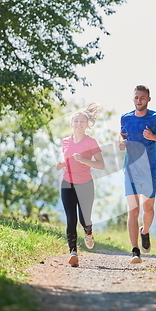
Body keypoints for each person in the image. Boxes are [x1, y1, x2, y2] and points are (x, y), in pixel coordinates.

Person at [119, 85, 156, 263]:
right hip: (130, 170)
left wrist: (154, 137)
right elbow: (123, 135)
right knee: (133, 211)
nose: (139, 100)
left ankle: (145, 232)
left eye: (142, 97)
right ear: (133, 98)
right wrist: (122, 143)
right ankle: (135, 251)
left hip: (150, 170)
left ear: (148, 99)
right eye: (136, 97)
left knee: (148, 209)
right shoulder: (125, 118)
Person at [56, 104, 105, 267]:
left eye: (82, 121)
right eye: (76, 121)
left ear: (87, 124)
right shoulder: (65, 141)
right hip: (67, 183)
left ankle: (88, 232)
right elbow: (68, 159)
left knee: (85, 219)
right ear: (71, 124)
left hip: (85, 184)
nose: (79, 124)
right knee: (71, 219)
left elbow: (100, 165)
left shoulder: (91, 142)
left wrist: (83, 160)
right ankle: (73, 252)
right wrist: (62, 164)